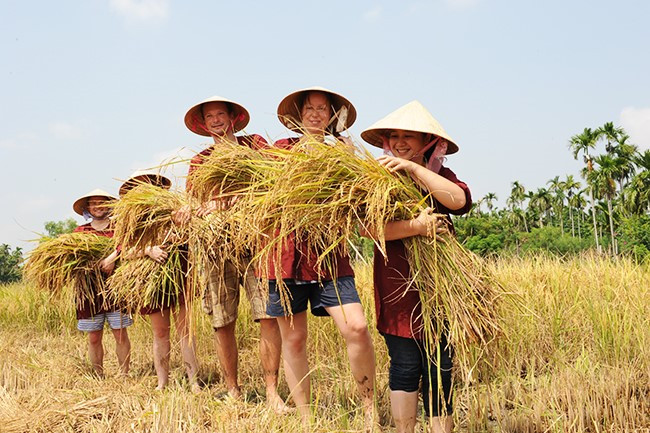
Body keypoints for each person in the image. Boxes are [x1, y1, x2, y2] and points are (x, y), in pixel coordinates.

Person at [360, 101, 472, 433]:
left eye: (409, 136)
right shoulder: (378, 181)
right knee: (405, 365)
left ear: (427, 142)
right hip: (397, 286)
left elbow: (460, 200)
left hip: (439, 289)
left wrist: (413, 170)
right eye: (394, 136)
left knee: (440, 365)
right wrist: (416, 227)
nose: (399, 142)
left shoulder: (439, 178)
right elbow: (368, 229)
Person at [267, 86, 376, 425]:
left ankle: (370, 408)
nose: (315, 114)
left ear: (332, 117)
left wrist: (349, 157)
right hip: (285, 257)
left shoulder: (341, 154)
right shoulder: (280, 152)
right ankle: (305, 417)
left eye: (323, 109)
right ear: (298, 116)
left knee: (356, 328)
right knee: (294, 338)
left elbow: (361, 195)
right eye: (309, 109)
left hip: (330, 258)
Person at [174, 96, 287, 411]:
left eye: (220, 114)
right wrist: (194, 210)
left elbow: (275, 183)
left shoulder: (256, 146)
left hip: (257, 240)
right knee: (222, 320)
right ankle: (233, 390)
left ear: (233, 118)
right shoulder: (200, 161)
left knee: (268, 315)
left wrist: (239, 200)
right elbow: (193, 205)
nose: (215, 120)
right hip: (216, 248)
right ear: (203, 124)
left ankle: (271, 392)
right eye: (209, 116)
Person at [119, 170, 200, 392]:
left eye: (151, 184)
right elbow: (123, 251)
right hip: (152, 278)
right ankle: (162, 382)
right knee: (161, 332)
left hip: (180, 273)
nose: (147, 188)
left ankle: (193, 381)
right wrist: (148, 250)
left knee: (186, 331)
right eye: (141, 185)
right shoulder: (130, 218)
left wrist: (179, 236)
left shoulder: (174, 208)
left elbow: (193, 234)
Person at [72, 189, 132, 377]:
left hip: (116, 288)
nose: (98, 206)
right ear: (88, 207)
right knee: (94, 336)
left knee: (120, 333)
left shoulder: (119, 228)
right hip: (89, 291)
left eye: (102, 202)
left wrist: (113, 257)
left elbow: (128, 244)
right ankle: (99, 375)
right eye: (94, 203)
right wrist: (93, 265)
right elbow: (73, 257)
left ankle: (124, 375)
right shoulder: (80, 232)